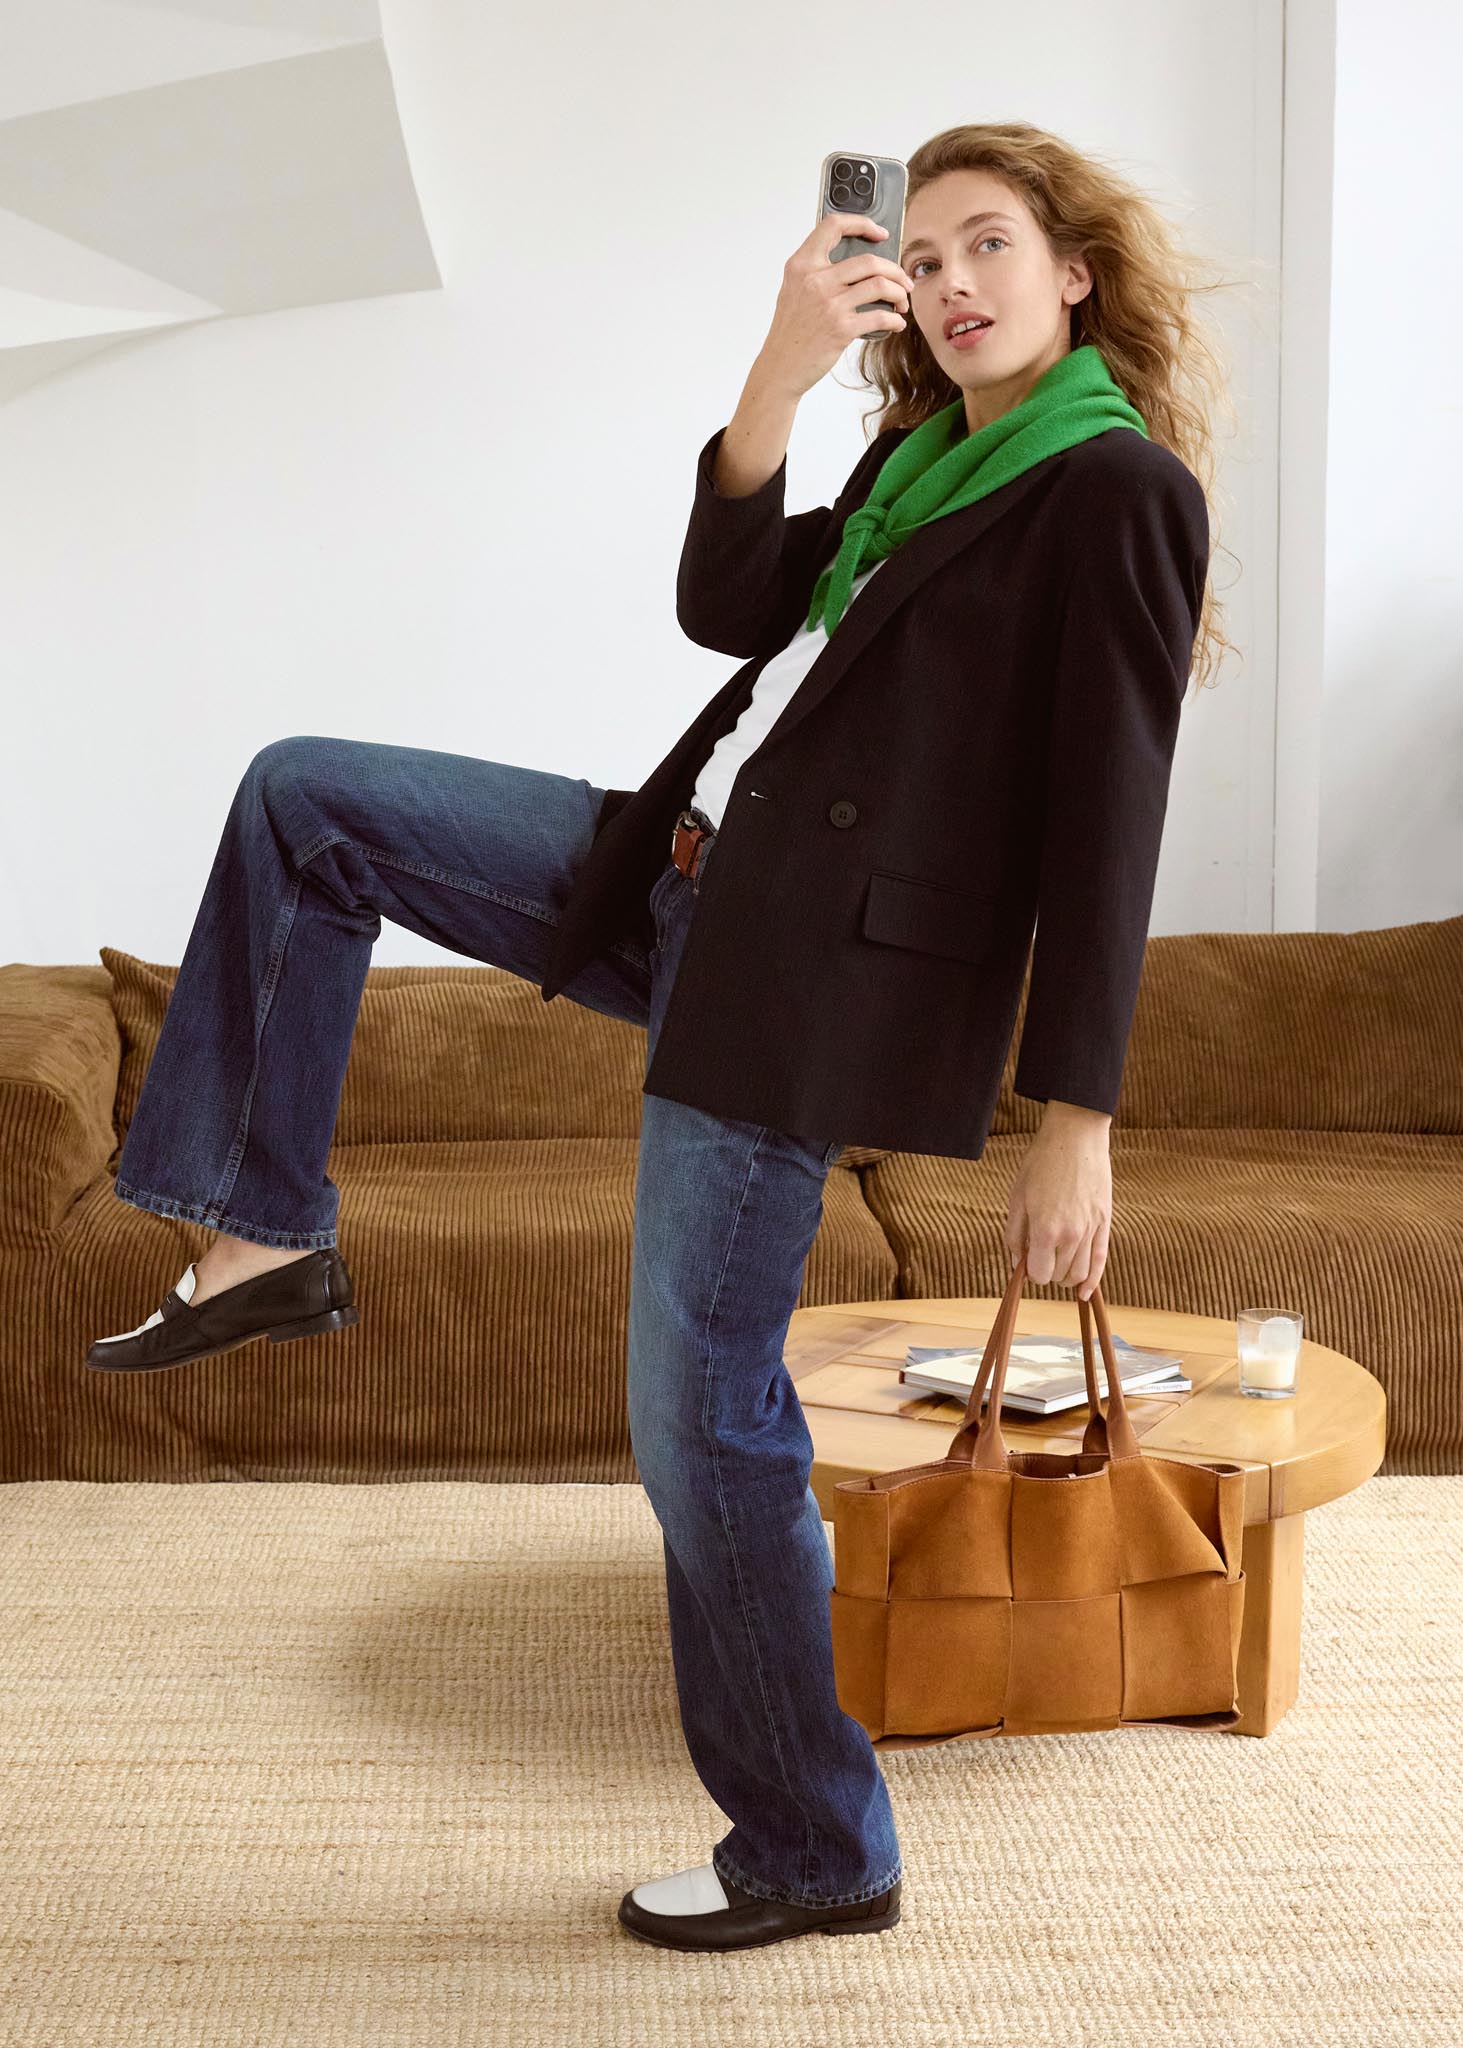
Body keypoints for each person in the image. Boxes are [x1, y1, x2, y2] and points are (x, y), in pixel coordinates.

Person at [86, 120, 1225, 1953]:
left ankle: (811, 1843)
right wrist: (780, 371)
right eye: (919, 259)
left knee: (700, 1425)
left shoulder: (1111, 491)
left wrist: (1076, 1119)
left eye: (985, 246)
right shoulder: (918, 452)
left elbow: (1111, 830)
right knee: (311, 801)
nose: (946, 285)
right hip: (687, 879)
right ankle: (267, 1228)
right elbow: (725, 613)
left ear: (1072, 269)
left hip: (813, 987)